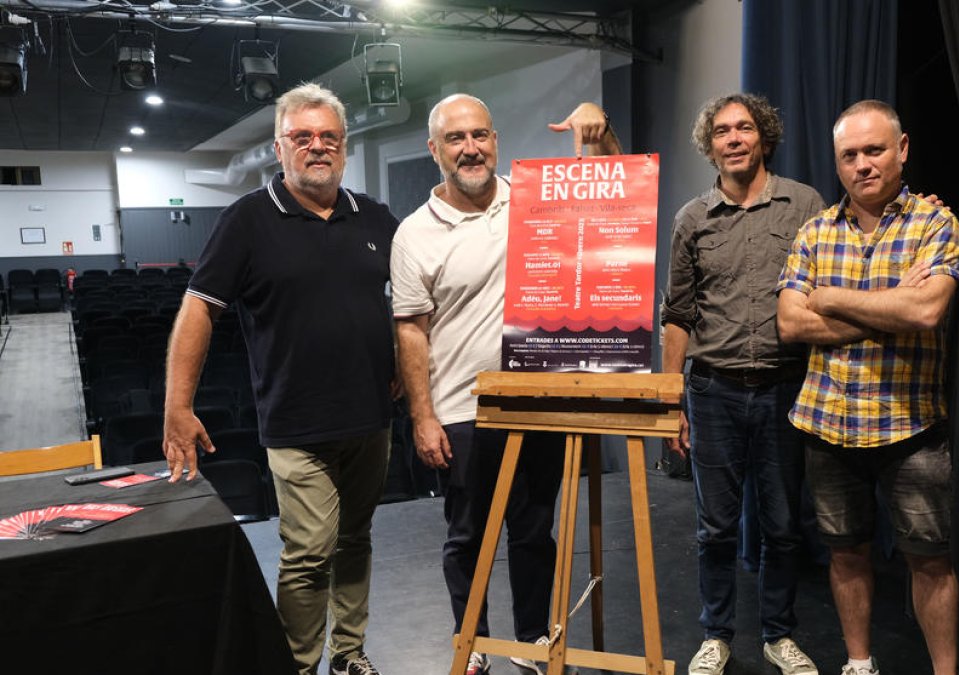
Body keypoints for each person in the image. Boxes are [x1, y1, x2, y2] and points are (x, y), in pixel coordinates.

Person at [162, 82, 398, 675]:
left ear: (343, 147)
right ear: (279, 147)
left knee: (356, 540)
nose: (316, 147)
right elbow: (199, 309)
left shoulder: (374, 216)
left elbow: (411, 301)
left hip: (371, 416)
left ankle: (348, 653)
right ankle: (296, 662)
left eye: (328, 137)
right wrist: (178, 404)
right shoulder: (246, 220)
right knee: (311, 551)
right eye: (302, 137)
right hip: (296, 421)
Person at [390, 93, 620, 675]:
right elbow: (411, 333)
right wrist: (422, 417)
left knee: (533, 531)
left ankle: (532, 639)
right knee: (467, 537)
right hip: (462, 411)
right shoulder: (415, 234)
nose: (471, 149)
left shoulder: (536, 202)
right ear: (434, 150)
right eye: (456, 139)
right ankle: (472, 644)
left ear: (495, 139)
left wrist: (599, 129)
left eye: (480, 135)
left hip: (537, 401)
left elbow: (613, 196)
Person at [776, 99, 959, 675]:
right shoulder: (813, 233)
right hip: (826, 423)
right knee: (845, 552)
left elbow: (928, 311)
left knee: (929, 559)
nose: (862, 164)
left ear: (901, 150)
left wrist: (829, 298)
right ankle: (859, 663)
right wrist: (889, 307)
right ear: (837, 163)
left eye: (874, 150)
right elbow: (790, 323)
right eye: (849, 155)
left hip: (910, 426)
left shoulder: (936, 223)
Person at [661, 93, 822, 675]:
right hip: (713, 392)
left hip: (786, 387)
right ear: (710, 145)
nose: (733, 138)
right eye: (722, 130)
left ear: (763, 138)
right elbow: (677, 313)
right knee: (715, 528)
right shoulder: (691, 219)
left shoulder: (804, 205)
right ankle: (716, 634)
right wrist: (669, 399)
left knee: (781, 525)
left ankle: (779, 635)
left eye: (744, 128)